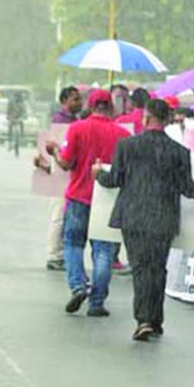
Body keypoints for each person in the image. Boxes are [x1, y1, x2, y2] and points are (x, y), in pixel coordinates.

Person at [92, 98, 194, 341]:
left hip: (133, 217)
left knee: (140, 268)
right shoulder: (179, 152)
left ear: (146, 118)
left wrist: (98, 174)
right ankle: (155, 319)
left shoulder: (127, 146)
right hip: (163, 218)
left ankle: (143, 319)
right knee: (157, 268)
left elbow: (115, 179)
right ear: (168, 119)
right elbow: (187, 187)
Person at [37, 88, 128, 317]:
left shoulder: (77, 128)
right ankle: (97, 302)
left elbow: (66, 164)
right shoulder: (123, 135)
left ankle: (78, 286)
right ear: (110, 107)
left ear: (91, 106)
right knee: (104, 250)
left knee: (73, 244)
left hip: (78, 196)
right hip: (107, 199)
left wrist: (55, 150)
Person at [44, 86, 84, 271]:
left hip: (69, 174)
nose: (79, 102)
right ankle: (54, 254)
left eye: (80, 99)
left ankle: (60, 253)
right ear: (65, 101)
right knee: (58, 215)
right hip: (61, 174)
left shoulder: (74, 121)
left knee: (64, 215)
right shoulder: (60, 122)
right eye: (75, 99)